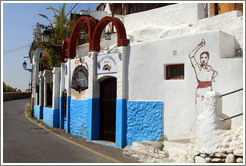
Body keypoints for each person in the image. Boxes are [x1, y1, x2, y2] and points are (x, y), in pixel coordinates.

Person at [189, 39, 218, 117]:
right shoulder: (198, 67)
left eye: (205, 57)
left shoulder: (209, 67)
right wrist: (200, 46)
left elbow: (215, 72)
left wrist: (213, 78)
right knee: (201, 113)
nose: (203, 59)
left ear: (208, 58)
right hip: (201, 91)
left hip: (209, 90)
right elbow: (191, 56)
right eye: (202, 57)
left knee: (209, 112)